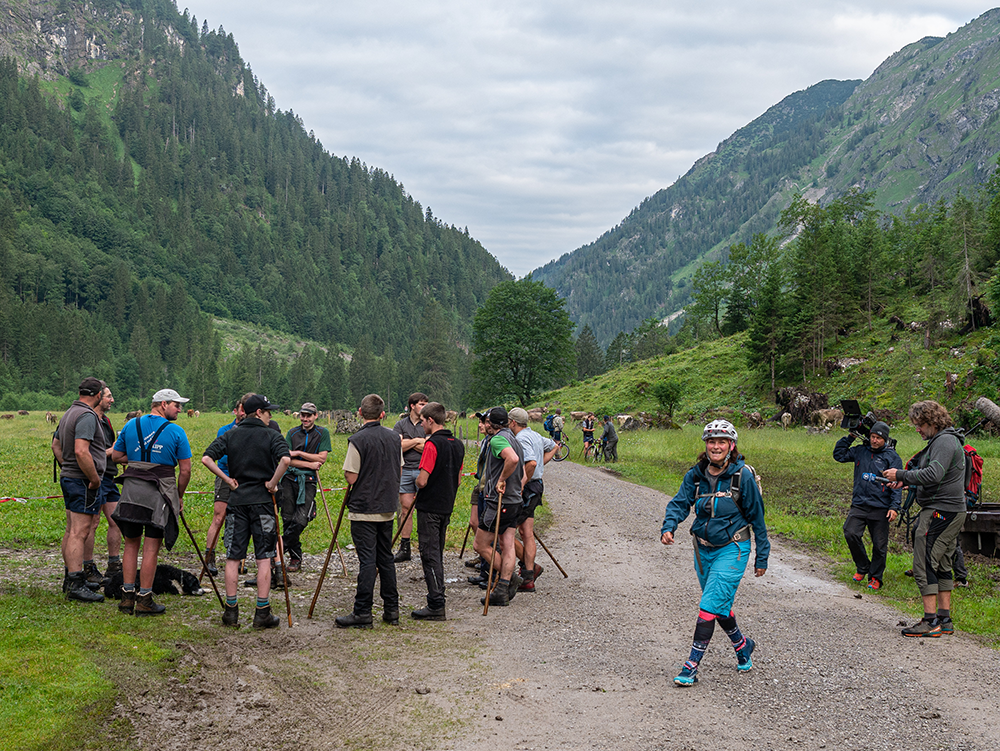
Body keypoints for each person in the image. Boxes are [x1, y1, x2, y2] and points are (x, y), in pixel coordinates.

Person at [660, 420, 769, 687]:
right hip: (703, 550)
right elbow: (680, 502)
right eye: (711, 442)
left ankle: (691, 666)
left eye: (722, 442)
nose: (716, 446)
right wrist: (669, 526)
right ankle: (743, 647)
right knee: (718, 605)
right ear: (705, 445)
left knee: (708, 606)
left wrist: (761, 556)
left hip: (733, 548)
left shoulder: (741, 477)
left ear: (731, 446)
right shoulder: (696, 475)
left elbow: (758, 518)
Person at [203, 393, 290, 629]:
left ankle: (231, 611)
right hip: (263, 502)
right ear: (259, 413)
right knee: (264, 556)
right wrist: (272, 483)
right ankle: (262, 612)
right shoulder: (272, 434)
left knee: (233, 556)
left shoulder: (230, 434)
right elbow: (285, 459)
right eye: (268, 411)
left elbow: (206, 458)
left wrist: (228, 480)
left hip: (237, 502)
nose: (271, 415)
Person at [884, 401, 966, 637]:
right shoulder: (946, 440)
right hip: (951, 510)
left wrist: (901, 473)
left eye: (919, 425)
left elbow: (934, 473)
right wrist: (907, 482)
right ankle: (944, 618)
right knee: (942, 563)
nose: (917, 429)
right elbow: (939, 477)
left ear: (932, 422)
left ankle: (930, 621)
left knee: (925, 561)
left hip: (941, 511)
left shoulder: (944, 441)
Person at [111, 389, 193, 616]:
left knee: (130, 543)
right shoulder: (176, 431)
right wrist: (178, 495)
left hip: (131, 492)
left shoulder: (130, 426)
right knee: (151, 547)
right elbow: (185, 469)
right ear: (163, 404)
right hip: (159, 494)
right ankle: (144, 599)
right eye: (176, 405)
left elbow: (117, 457)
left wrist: (139, 461)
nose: (179, 409)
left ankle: (127, 597)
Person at [337, 394, 403, 629]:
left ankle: (363, 611)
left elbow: (351, 476)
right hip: (386, 507)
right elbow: (400, 468)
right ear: (383, 414)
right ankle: (391, 610)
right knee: (385, 558)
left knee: (367, 560)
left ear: (360, 412)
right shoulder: (395, 438)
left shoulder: (357, 439)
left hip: (364, 508)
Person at [54, 377, 109, 603]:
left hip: (70, 477)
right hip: (82, 481)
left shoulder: (69, 412)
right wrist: (93, 478)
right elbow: (81, 451)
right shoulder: (87, 416)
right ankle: (76, 583)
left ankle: (71, 577)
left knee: (71, 530)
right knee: (80, 531)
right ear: (97, 395)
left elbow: (55, 445)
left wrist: (66, 467)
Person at [411, 402, 465, 620]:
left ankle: (436, 604)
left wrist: (415, 481)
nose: (421, 424)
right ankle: (437, 597)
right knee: (437, 551)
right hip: (446, 505)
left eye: (423, 421)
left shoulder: (432, 444)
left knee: (429, 553)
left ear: (431, 420)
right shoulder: (458, 444)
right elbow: (459, 479)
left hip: (429, 505)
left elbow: (422, 480)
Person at [833, 421, 902, 590]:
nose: (874, 440)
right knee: (850, 533)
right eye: (872, 436)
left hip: (881, 507)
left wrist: (894, 507)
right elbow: (839, 455)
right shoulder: (860, 451)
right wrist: (850, 437)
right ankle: (863, 566)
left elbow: (897, 485)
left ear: (884, 439)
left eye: (878, 438)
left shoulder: (892, 457)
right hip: (860, 504)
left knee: (879, 545)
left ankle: (875, 577)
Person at [472, 406, 525, 607]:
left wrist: (501, 479)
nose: (483, 425)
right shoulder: (514, 438)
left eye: (486, 421)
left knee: (481, 544)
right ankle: (503, 589)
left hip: (498, 501)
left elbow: (513, 459)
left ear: (490, 423)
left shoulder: (497, 440)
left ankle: (507, 580)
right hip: (514, 500)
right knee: (507, 543)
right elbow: (522, 468)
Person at [508, 407, 557, 592]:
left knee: (507, 531)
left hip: (528, 488)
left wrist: (522, 483)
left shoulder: (520, 439)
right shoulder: (535, 435)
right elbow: (554, 446)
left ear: (513, 422)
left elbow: (531, 462)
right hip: (537, 485)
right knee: (526, 531)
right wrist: (541, 465)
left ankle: (527, 570)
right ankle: (528, 575)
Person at [280, 402, 331, 572]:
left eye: (309, 415)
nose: (305, 418)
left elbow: (322, 458)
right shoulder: (292, 433)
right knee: (287, 517)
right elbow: (286, 459)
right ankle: (295, 558)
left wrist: (300, 453)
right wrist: (310, 463)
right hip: (288, 477)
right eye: (303, 415)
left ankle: (278, 547)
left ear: (315, 416)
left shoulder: (322, 433)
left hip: (308, 481)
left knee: (302, 518)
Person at [203, 394, 250, 578]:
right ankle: (210, 557)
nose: (243, 413)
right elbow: (220, 456)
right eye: (241, 409)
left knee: (242, 519)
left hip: (245, 478)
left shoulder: (252, 429)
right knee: (219, 517)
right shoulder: (225, 430)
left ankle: (237, 559)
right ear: (236, 411)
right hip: (225, 476)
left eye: (246, 409)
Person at [392, 392, 428, 562]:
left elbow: (429, 447)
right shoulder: (400, 424)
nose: (425, 407)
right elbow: (397, 446)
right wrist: (417, 441)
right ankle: (405, 547)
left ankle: (426, 546)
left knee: (426, 510)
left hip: (424, 470)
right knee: (405, 510)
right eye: (421, 404)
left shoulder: (428, 423)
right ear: (412, 406)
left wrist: (409, 442)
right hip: (405, 470)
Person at [94, 385, 124, 585]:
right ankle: (87, 567)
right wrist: (113, 449)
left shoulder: (106, 421)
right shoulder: (89, 420)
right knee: (90, 524)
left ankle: (114, 564)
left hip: (110, 476)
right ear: (98, 397)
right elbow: (89, 452)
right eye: (108, 396)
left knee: (116, 520)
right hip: (95, 478)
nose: (112, 400)